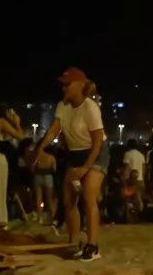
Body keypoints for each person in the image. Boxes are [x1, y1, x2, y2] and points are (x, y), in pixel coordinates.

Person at [34, 68, 108, 261]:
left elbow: (98, 141)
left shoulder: (90, 107)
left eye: (67, 84)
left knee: (89, 196)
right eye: (63, 84)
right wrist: (40, 148)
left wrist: (85, 168)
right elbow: (54, 130)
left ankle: (93, 246)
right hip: (75, 153)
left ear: (79, 85)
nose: (63, 88)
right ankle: (75, 242)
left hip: (95, 152)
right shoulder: (63, 106)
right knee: (69, 200)